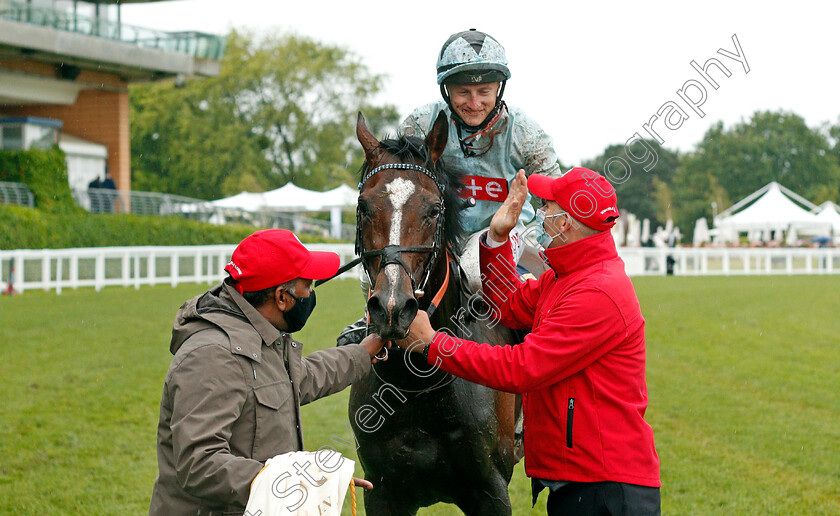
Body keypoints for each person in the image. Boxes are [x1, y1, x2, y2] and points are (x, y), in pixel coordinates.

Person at [395, 168, 661, 515]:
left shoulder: (596, 290)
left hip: (606, 488)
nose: (540, 214)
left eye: (546, 206)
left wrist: (433, 344)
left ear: (564, 223)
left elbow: (522, 368)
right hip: (588, 480)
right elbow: (507, 304)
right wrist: (497, 238)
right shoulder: (568, 275)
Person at [337, 28, 562, 345]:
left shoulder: (526, 133)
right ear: (446, 90)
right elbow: (396, 186)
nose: (474, 103)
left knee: (473, 268)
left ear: (499, 88)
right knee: (372, 269)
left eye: (484, 91)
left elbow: (554, 197)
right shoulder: (420, 122)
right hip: (435, 231)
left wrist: (546, 244)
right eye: (463, 93)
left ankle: (531, 339)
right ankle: (372, 325)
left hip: (501, 233)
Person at [149, 229, 387, 516]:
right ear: (281, 298)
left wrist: (363, 352)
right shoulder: (212, 355)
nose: (312, 294)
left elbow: (302, 377)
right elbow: (199, 464)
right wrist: (299, 485)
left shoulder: (253, 332)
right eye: (308, 286)